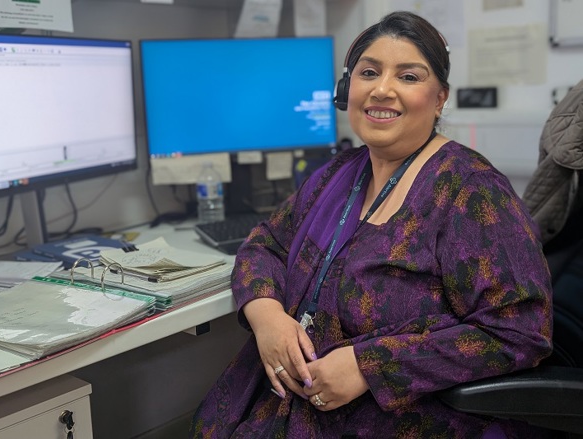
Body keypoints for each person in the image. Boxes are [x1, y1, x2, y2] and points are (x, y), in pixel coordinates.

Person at [190, 11, 553, 439]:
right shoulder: (338, 173)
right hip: (293, 410)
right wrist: (266, 316)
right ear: (348, 89)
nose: (382, 90)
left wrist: (370, 366)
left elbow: (520, 329)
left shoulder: (471, 192)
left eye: (409, 76)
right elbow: (265, 243)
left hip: (407, 420)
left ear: (439, 98)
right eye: (369, 72)